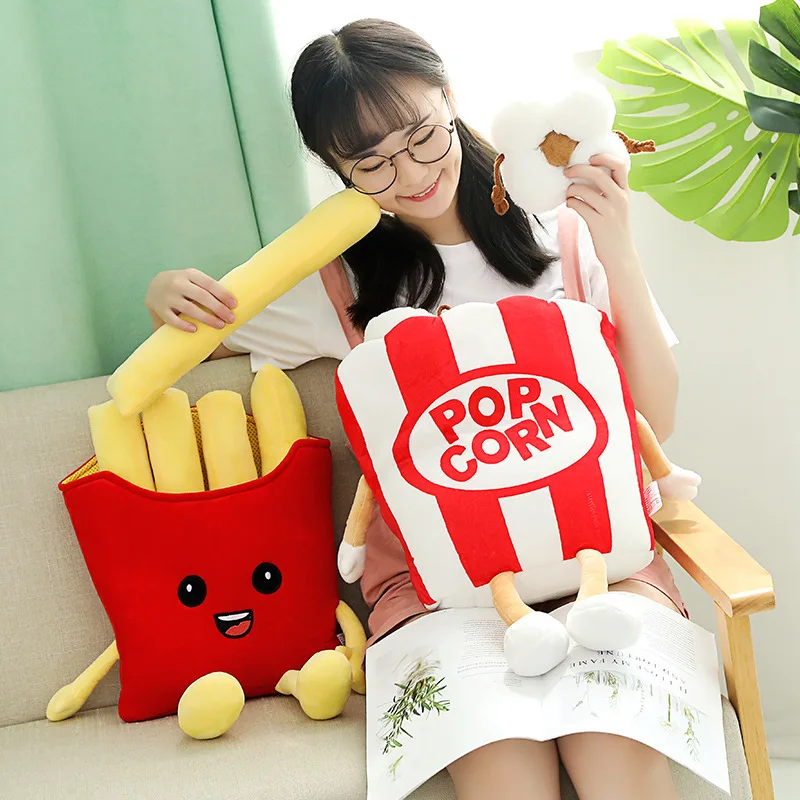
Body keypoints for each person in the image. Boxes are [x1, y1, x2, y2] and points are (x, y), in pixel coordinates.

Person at [145, 18, 685, 800]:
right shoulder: (337, 283)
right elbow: (198, 335)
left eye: (423, 136)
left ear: (449, 99)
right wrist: (166, 293)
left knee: (614, 752)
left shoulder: (564, 230)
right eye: (371, 162)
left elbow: (655, 424)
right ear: (335, 168)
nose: (411, 173)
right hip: (437, 586)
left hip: (601, 560)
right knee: (506, 776)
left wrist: (620, 250)